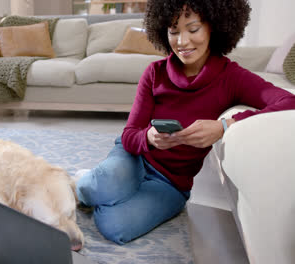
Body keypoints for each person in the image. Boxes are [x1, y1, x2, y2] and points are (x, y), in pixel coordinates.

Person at [75, 0, 295, 245]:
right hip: (135, 158)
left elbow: (288, 101)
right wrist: (148, 137)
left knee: (115, 227)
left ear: (214, 27)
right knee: (95, 189)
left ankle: (110, 187)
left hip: (170, 183)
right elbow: (129, 136)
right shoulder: (154, 72)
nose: (182, 42)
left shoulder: (232, 77)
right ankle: (98, 183)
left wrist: (224, 126)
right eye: (173, 31)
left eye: (193, 29)